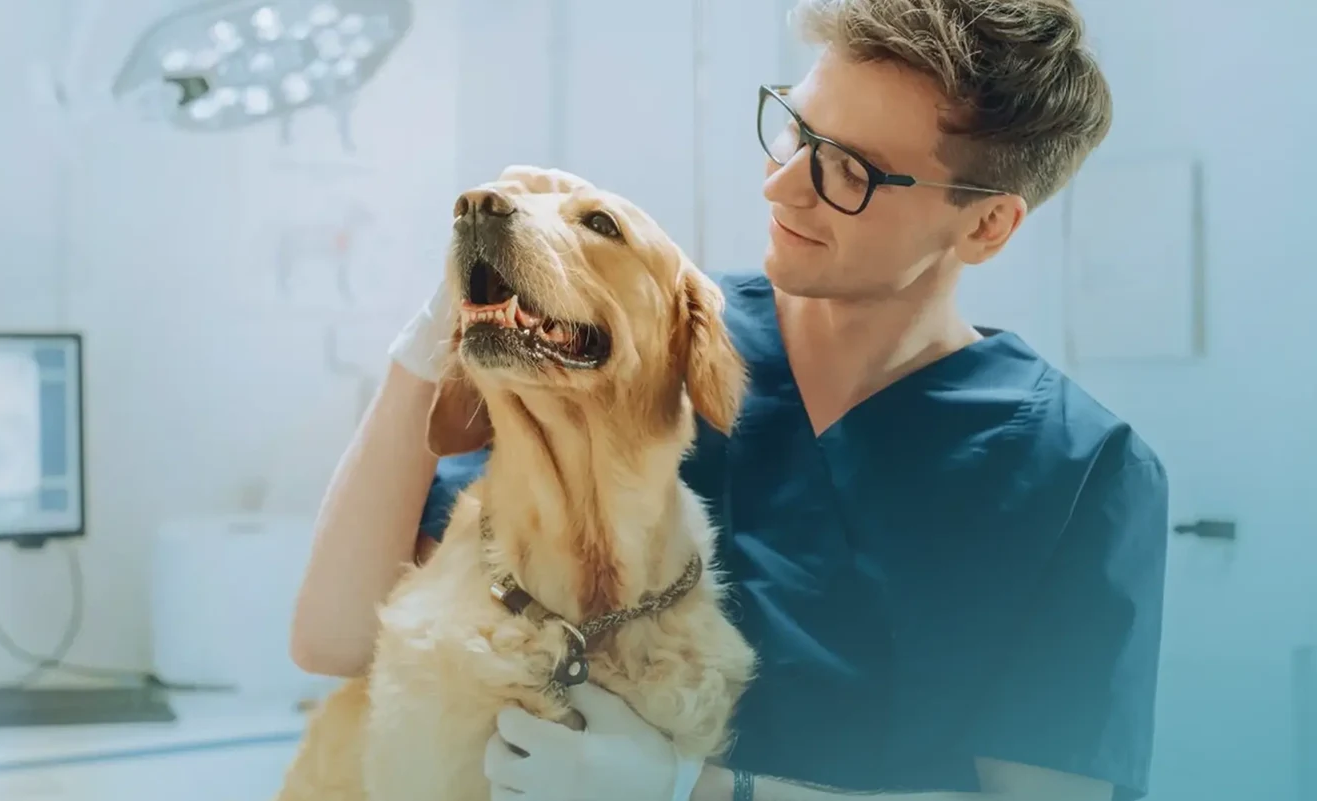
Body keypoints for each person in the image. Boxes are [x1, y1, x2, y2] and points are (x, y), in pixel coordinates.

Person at [289, 0, 1170, 800]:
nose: (783, 185)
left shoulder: (1077, 470)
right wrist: (437, 330)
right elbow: (338, 637)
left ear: (985, 225)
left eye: (852, 172)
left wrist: (696, 791)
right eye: (795, 129)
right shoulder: (650, 349)